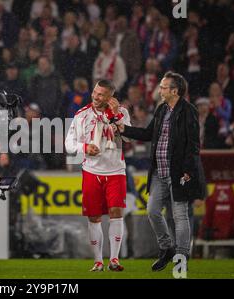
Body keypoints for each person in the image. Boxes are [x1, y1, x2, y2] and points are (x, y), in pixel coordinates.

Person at [117, 71, 202, 271]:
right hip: (158, 171)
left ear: (175, 90)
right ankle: (167, 249)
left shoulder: (188, 111)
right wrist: (124, 129)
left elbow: (194, 144)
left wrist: (188, 169)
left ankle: (181, 257)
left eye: (164, 87)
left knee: (180, 215)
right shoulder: (162, 109)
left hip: (178, 172)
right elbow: (148, 134)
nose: (160, 90)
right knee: (152, 211)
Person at [65, 79, 131, 272]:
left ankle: (114, 259)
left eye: (101, 94)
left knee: (116, 213)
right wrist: (84, 148)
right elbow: (69, 143)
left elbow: (128, 137)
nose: (95, 96)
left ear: (110, 97)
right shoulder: (81, 115)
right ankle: (98, 261)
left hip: (116, 171)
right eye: (95, 92)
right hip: (91, 172)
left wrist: (117, 115)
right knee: (94, 217)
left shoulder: (122, 113)